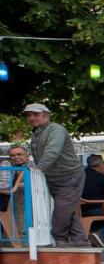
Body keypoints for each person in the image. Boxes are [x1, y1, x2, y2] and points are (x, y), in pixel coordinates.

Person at [24, 102, 87, 246]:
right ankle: (79, 241)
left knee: (62, 210)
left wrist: (39, 168)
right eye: (29, 115)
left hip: (69, 176)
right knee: (66, 210)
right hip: (56, 176)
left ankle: (60, 239)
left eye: (35, 114)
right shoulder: (38, 132)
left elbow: (52, 151)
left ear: (46, 115)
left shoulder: (56, 130)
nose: (31, 118)